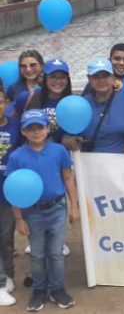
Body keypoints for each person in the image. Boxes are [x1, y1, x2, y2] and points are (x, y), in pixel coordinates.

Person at [7, 109, 78, 310]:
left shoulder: (59, 151)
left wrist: (74, 206)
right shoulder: (16, 157)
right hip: (32, 213)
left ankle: (57, 289)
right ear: (23, 132)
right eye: (30, 128)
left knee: (56, 253)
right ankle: (39, 290)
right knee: (37, 254)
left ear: (48, 129)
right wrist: (19, 219)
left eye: (40, 127)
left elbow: (68, 178)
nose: (36, 132)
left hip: (57, 208)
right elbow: (14, 189)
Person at [65, 59, 124, 155]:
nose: (101, 80)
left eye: (105, 75)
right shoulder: (82, 104)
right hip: (94, 161)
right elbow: (68, 135)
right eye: (96, 77)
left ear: (112, 77)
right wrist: (70, 141)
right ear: (89, 79)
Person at [13, 59, 72, 143]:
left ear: (67, 79)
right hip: (30, 148)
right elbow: (13, 124)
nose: (58, 81)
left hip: (60, 149)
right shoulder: (26, 98)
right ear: (45, 78)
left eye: (62, 77)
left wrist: (69, 139)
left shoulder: (73, 103)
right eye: (53, 76)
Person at [0, 89, 20, 305]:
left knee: (6, 237)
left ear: (6, 104)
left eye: (0, 101)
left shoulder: (15, 126)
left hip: (8, 192)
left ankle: (8, 275)